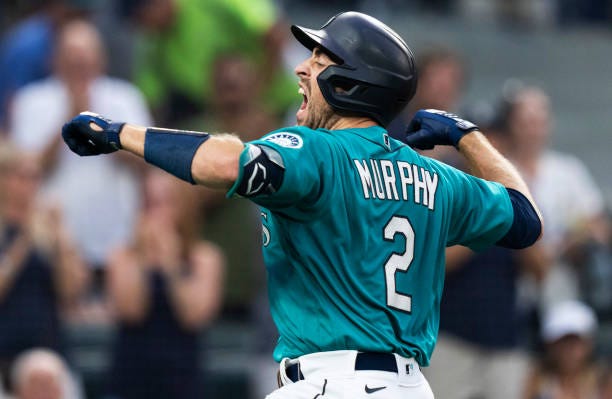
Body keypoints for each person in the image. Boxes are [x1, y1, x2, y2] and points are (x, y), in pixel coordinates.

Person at [61, 11, 543, 399]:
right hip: (410, 386)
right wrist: (468, 136)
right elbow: (525, 219)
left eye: (319, 57)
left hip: (333, 382)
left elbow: (230, 164)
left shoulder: (317, 152)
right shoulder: (441, 178)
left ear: (350, 82)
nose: (301, 66)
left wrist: (119, 133)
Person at [9, 19, 152, 295]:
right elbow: (26, 171)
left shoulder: (125, 98)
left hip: (117, 246)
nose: (79, 67)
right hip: (53, 248)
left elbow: (146, 163)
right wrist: (69, 120)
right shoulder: (32, 100)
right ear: (55, 60)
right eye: (72, 59)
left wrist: (103, 133)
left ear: (100, 60)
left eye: (85, 59)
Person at [106, 169, 224, 399]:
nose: (158, 213)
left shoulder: (205, 257)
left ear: (184, 207)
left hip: (184, 378)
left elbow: (193, 316)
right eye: (150, 204)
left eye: (166, 203)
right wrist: (143, 257)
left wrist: (171, 265)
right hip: (130, 376)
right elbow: (131, 311)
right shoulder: (123, 256)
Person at [0, 142, 87, 392]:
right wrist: (23, 241)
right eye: (22, 176)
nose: (30, 185)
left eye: (35, 177)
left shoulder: (49, 229)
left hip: (49, 349)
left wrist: (61, 238)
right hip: (4, 350)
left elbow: (71, 291)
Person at [522, 300, 600, 399]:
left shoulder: (603, 383)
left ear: (589, 344)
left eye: (574, 342)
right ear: (549, 345)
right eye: (562, 342)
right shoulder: (537, 383)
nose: (568, 351)